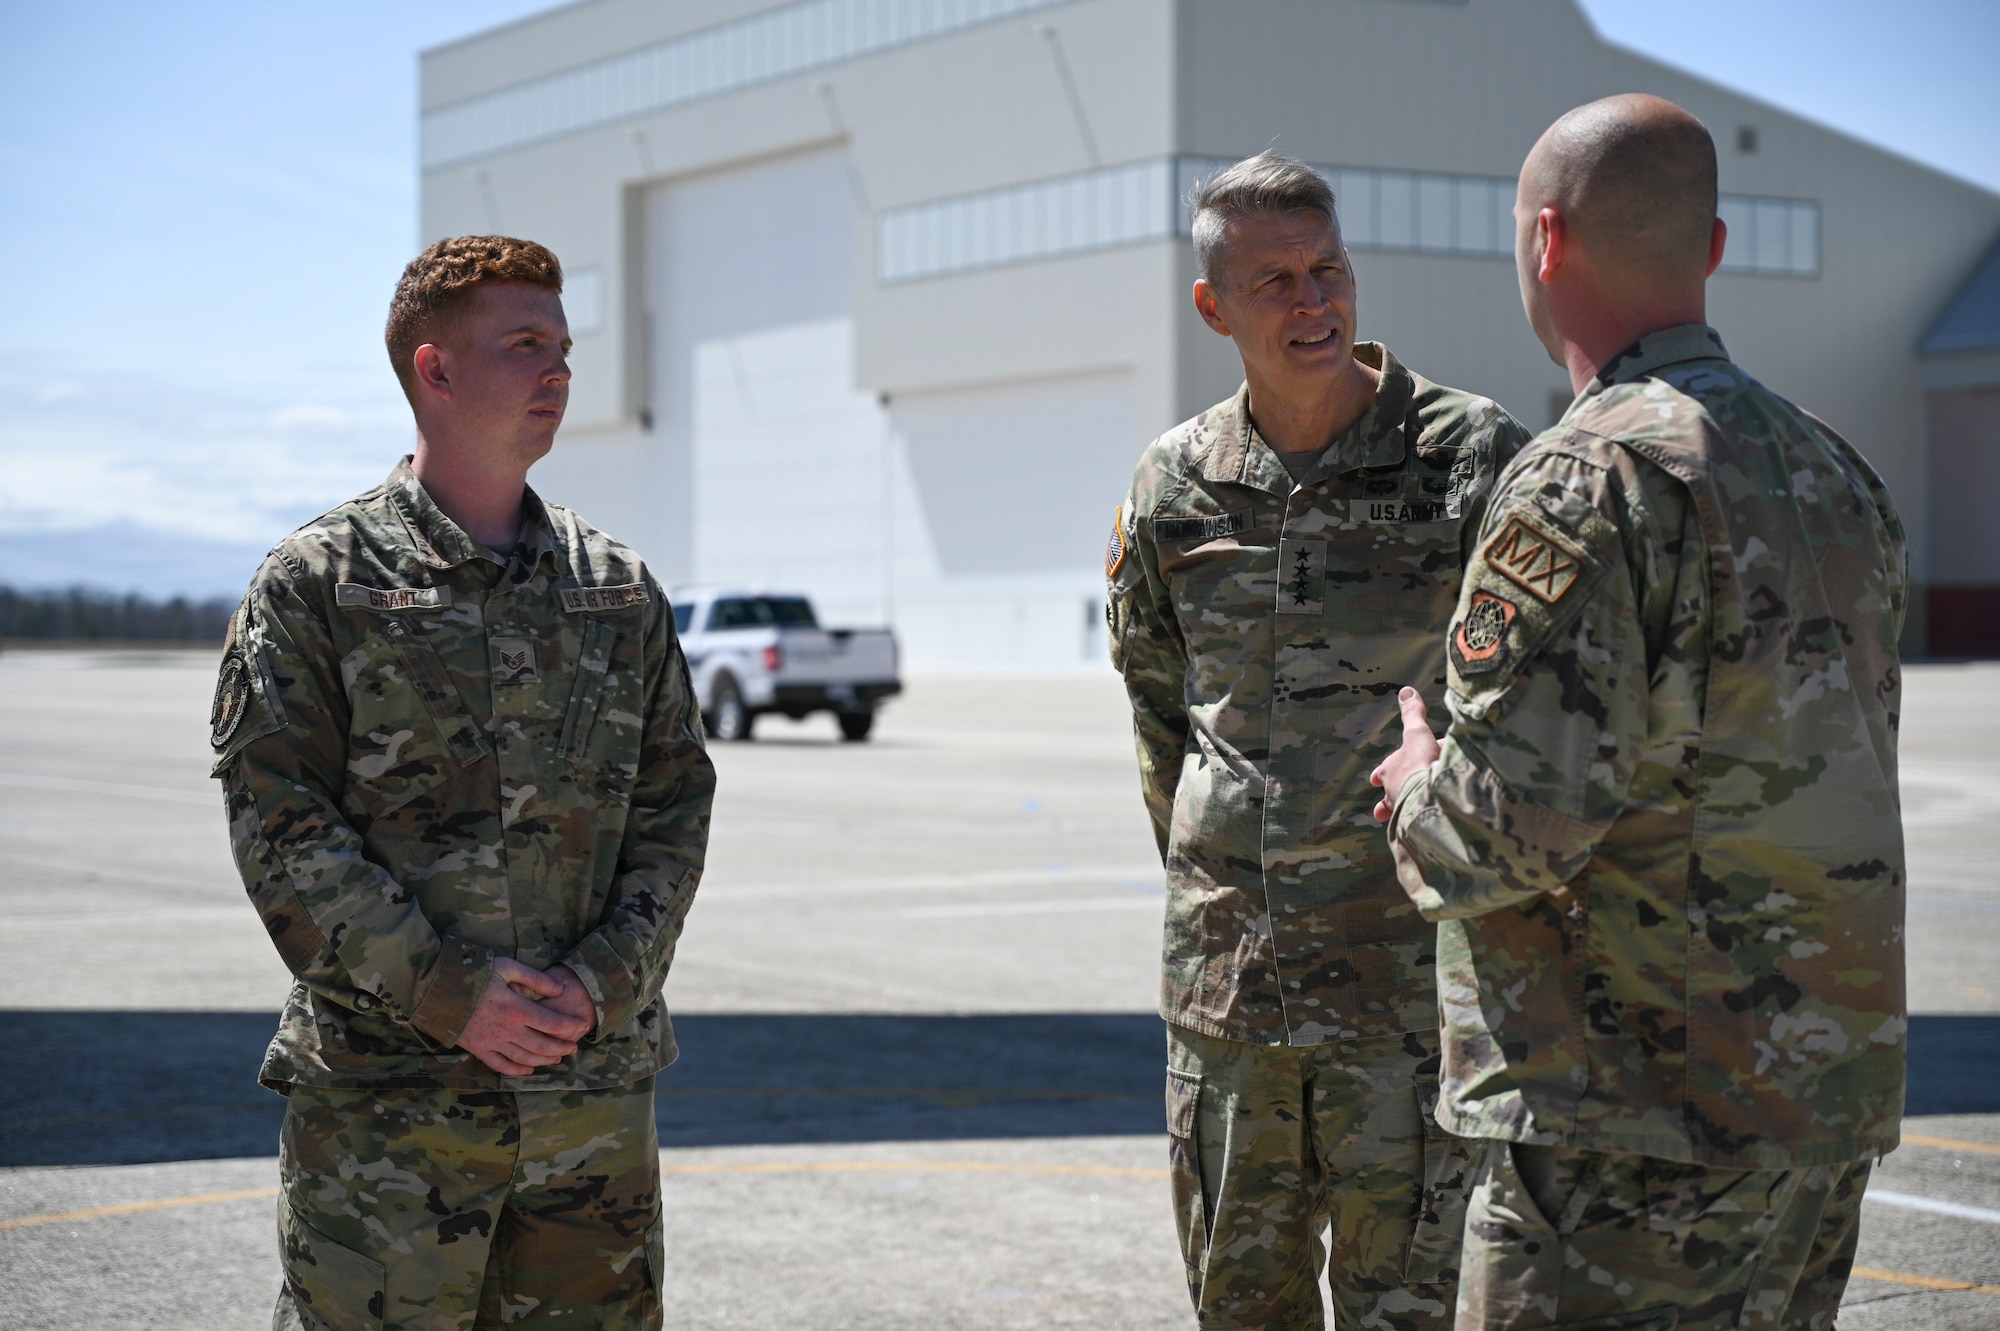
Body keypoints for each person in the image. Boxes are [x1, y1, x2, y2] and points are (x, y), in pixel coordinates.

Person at [1371, 95, 1907, 1330]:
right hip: (1813, 1102)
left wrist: (1412, 793)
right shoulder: (1833, 468)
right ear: (1710, 251)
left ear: (1543, 243)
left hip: (1627, 1127)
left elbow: (1513, 826)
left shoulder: (1585, 476)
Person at [211, 235, 715, 1330]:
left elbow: (675, 803)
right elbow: (282, 820)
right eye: (524, 343)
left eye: (564, 347)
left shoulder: (615, 589)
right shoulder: (320, 583)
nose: (559, 371)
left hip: (587, 1115)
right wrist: (452, 992)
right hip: (392, 1117)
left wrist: (601, 981)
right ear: (433, 370)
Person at [1108, 152, 1532, 1328]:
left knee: (1414, 1307)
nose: (1310, 301)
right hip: (1230, 996)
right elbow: (1160, 711)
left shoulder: (1469, 457)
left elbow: (1534, 711)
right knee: (1242, 1306)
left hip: (1410, 992)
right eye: (1273, 280)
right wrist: (1219, 862)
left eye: (1327, 268)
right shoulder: (1175, 484)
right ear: (1212, 307)